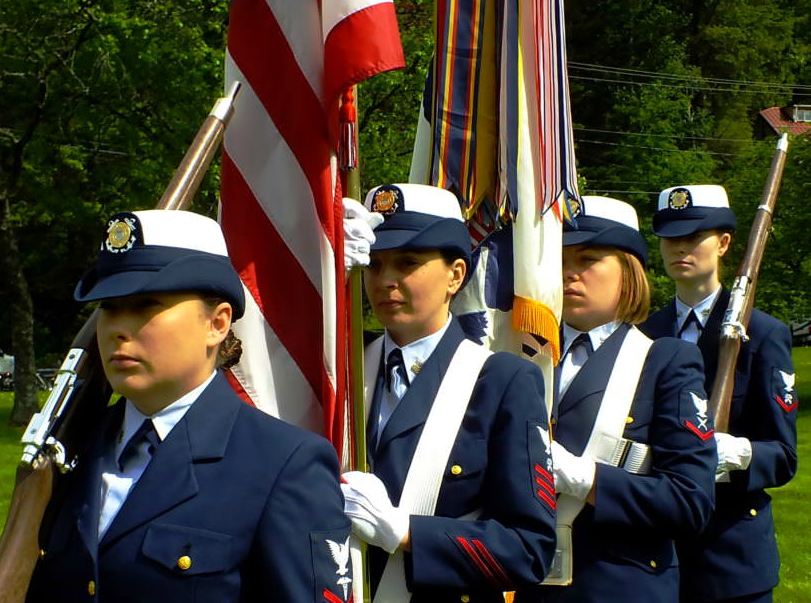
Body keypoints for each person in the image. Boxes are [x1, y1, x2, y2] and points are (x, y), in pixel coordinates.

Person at [27, 210, 352, 603]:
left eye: (145, 305)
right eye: (109, 307)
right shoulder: (74, 447)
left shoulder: (283, 465)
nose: (118, 328)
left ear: (216, 324)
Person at [340, 183, 556, 603]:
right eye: (374, 264)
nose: (385, 281)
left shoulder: (501, 381)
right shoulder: (343, 364)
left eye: (407, 262)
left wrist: (409, 535)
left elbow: (528, 549)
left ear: (456, 274)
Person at [519, 196, 718, 603]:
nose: (568, 273)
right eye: (559, 259)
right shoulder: (520, 351)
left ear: (629, 272)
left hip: (617, 586)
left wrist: (584, 479)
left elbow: (689, 503)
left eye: (588, 259)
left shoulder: (664, 362)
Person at [640, 185, 798, 603]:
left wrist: (738, 452)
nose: (680, 248)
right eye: (671, 238)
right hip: (656, 555)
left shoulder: (762, 334)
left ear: (724, 243)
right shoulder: (645, 335)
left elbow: (783, 456)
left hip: (730, 556)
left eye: (694, 237)